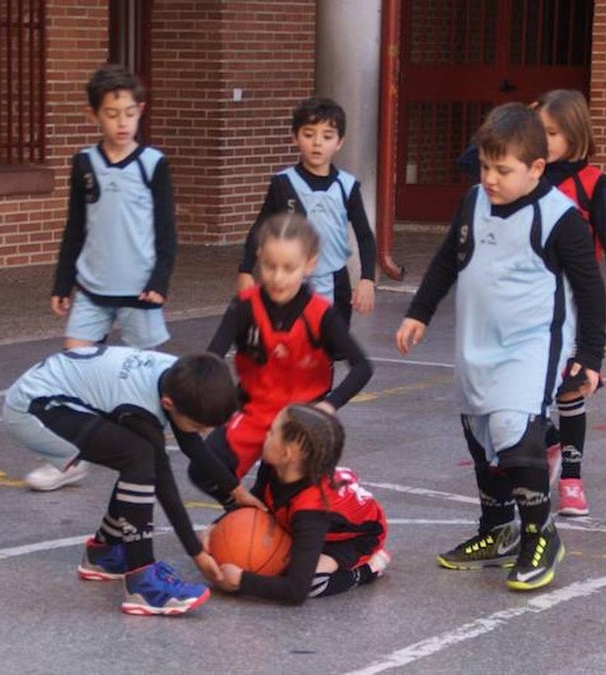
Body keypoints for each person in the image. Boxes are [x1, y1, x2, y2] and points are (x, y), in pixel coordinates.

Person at [396, 103, 606, 591]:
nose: (490, 177)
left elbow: (591, 290)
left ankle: (540, 533)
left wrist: (590, 357)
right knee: (480, 435)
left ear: (536, 168)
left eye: (503, 169)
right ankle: (497, 530)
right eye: (486, 166)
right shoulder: (473, 201)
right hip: (477, 344)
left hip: (530, 346)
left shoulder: (561, 218)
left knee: (514, 429)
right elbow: (449, 257)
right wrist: (419, 312)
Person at [1, 347, 265, 615]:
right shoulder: (139, 408)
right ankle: (142, 584)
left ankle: (103, 554)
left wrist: (236, 491)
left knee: (136, 460)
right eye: (199, 426)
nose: (204, 433)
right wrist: (196, 552)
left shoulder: (181, 378)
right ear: (168, 405)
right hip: (32, 410)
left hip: (56, 393)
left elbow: (191, 444)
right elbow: (164, 481)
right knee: (139, 457)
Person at [36, 63, 178, 492]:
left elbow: (167, 231)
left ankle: (151, 446)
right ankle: (67, 458)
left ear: (141, 112)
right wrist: (63, 283)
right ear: (93, 114)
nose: (122, 122)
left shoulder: (153, 164)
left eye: (130, 112)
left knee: (148, 377)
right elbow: (75, 227)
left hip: (140, 292)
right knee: (70, 372)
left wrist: (160, 281)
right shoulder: (84, 163)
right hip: (93, 289)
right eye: (112, 113)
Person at [191, 213, 373, 505]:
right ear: (259, 258)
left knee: (291, 500)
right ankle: (247, 514)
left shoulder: (320, 314)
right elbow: (211, 360)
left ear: (309, 264)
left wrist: (329, 405)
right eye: (269, 266)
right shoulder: (245, 306)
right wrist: (206, 405)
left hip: (300, 422)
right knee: (204, 470)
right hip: (254, 411)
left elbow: (362, 367)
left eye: (288, 268)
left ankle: (271, 520)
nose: (277, 277)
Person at [531, 89, 606, 517]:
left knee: (572, 388)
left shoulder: (593, 183)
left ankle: (572, 479)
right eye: (536, 131)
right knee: (532, 388)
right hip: (534, 296)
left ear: (575, 134)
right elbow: (470, 163)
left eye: (551, 132)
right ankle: (549, 443)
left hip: (575, 298)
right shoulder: (526, 174)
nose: (542, 139)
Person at [213, 404, 389, 604]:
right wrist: (216, 527)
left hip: (356, 538)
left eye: (271, 432)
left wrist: (242, 580)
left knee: (312, 583)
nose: (265, 434)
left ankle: (369, 569)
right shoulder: (274, 465)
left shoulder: (311, 512)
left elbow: (296, 591)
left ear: (286, 454)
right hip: (318, 522)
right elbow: (256, 501)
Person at [236, 97, 376, 326]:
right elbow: (260, 228)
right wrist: (245, 270)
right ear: (295, 137)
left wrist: (367, 279)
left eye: (327, 136)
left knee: (328, 351)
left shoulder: (347, 186)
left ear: (340, 142)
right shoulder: (283, 184)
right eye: (309, 135)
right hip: (289, 281)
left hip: (335, 280)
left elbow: (365, 236)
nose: (317, 143)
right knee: (287, 345)